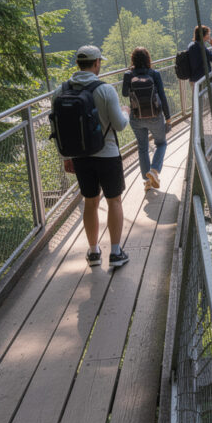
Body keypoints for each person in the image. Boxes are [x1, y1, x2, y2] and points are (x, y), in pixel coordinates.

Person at [53, 45, 130, 268]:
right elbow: (119, 125)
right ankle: (115, 253)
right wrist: (126, 112)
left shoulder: (60, 91)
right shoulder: (105, 90)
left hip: (79, 156)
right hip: (107, 154)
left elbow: (58, 129)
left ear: (78, 64)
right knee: (114, 200)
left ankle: (94, 252)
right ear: (96, 63)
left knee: (90, 201)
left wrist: (65, 156)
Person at [122, 47, 171, 192]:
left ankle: (147, 181)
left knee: (142, 147)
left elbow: (125, 93)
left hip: (136, 117)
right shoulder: (154, 74)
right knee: (161, 143)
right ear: (148, 59)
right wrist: (168, 117)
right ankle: (154, 171)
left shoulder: (128, 74)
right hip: (155, 116)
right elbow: (162, 95)